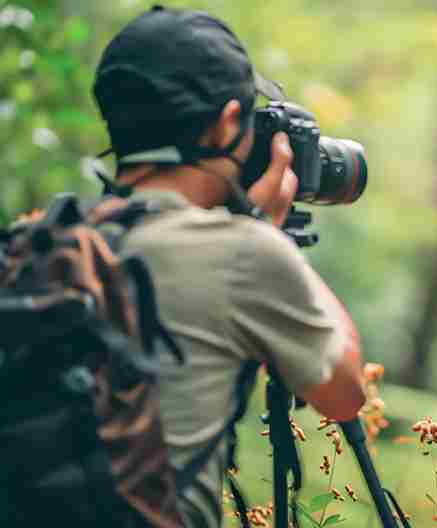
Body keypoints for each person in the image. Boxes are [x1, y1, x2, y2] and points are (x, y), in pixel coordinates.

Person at [90, 6, 367, 527]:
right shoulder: (243, 254)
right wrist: (266, 235)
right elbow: (346, 393)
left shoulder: (54, 241)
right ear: (226, 125)